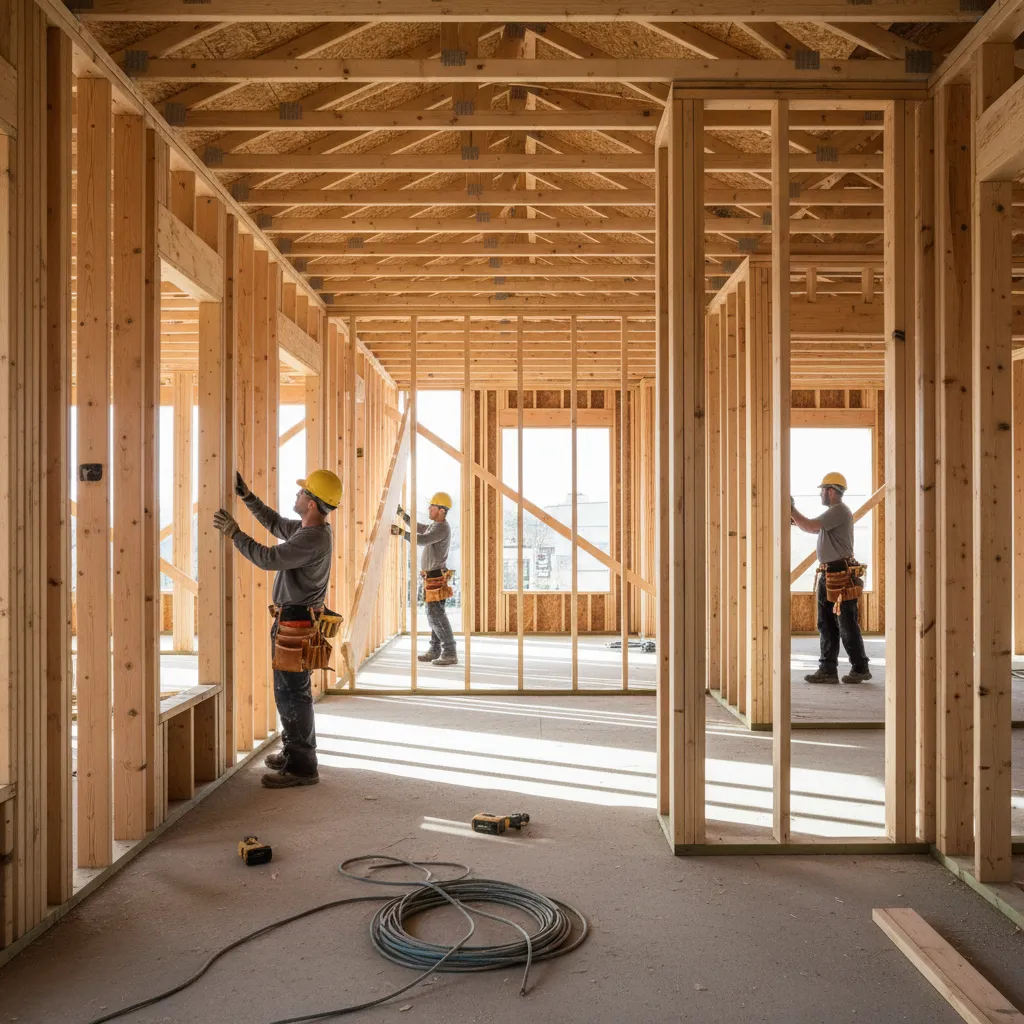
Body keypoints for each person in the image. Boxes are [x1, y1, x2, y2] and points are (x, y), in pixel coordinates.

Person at [213, 468, 342, 787]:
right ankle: (295, 751)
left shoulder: (311, 538)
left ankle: (302, 766)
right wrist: (248, 498)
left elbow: (268, 558)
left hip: (295, 624)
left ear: (311, 503)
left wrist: (234, 534)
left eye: (302, 493)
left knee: (292, 695)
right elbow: (274, 523)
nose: (296, 495)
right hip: (296, 621)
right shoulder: (309, 530)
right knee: (292, 693)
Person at [790, 471, 871, 685]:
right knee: (826, 624)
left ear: (831, 491)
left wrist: (791, 509)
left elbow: (809, 525)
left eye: (822, 491)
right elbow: (810, 527)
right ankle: (827, 670)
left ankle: (860, 667)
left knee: (846, 624)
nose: (820, 495)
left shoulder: (839, 511)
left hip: (840, 576)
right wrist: (794, 518)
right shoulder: (834, 515)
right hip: (830, 574)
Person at [391, 492, 457, 666]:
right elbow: (420, 528)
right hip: (431, 576)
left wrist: (401, 532)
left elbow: (422, 539)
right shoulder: (436, 525)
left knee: (436, 615)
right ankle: (435, 649)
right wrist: (403, 516)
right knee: (433, 614)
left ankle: (450, 652)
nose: (429, 508)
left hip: (436, 576)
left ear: (441, 510)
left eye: (432, 507)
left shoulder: (442, 527)